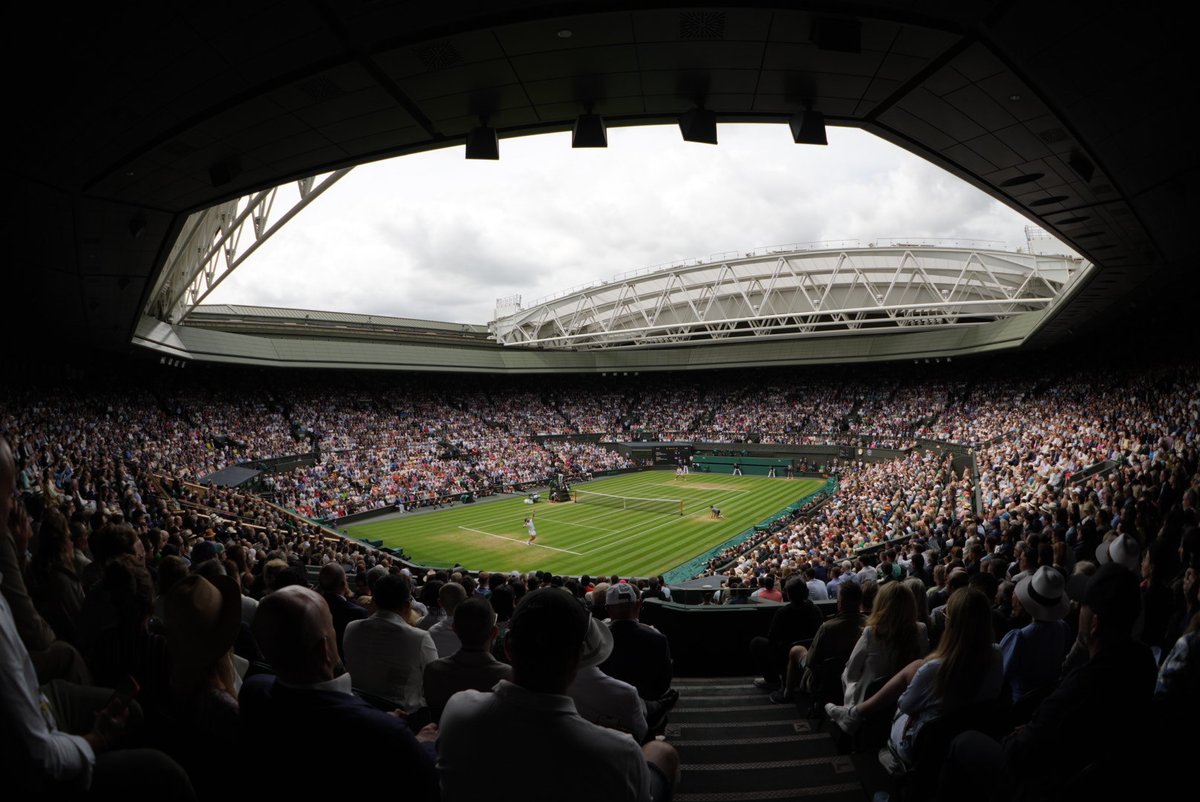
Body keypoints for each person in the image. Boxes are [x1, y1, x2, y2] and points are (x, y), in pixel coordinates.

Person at [437, 587, 679, 801]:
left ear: (508, 647)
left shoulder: (457, 710)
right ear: (578, 660)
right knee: (661, 751)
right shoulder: (620, 752)